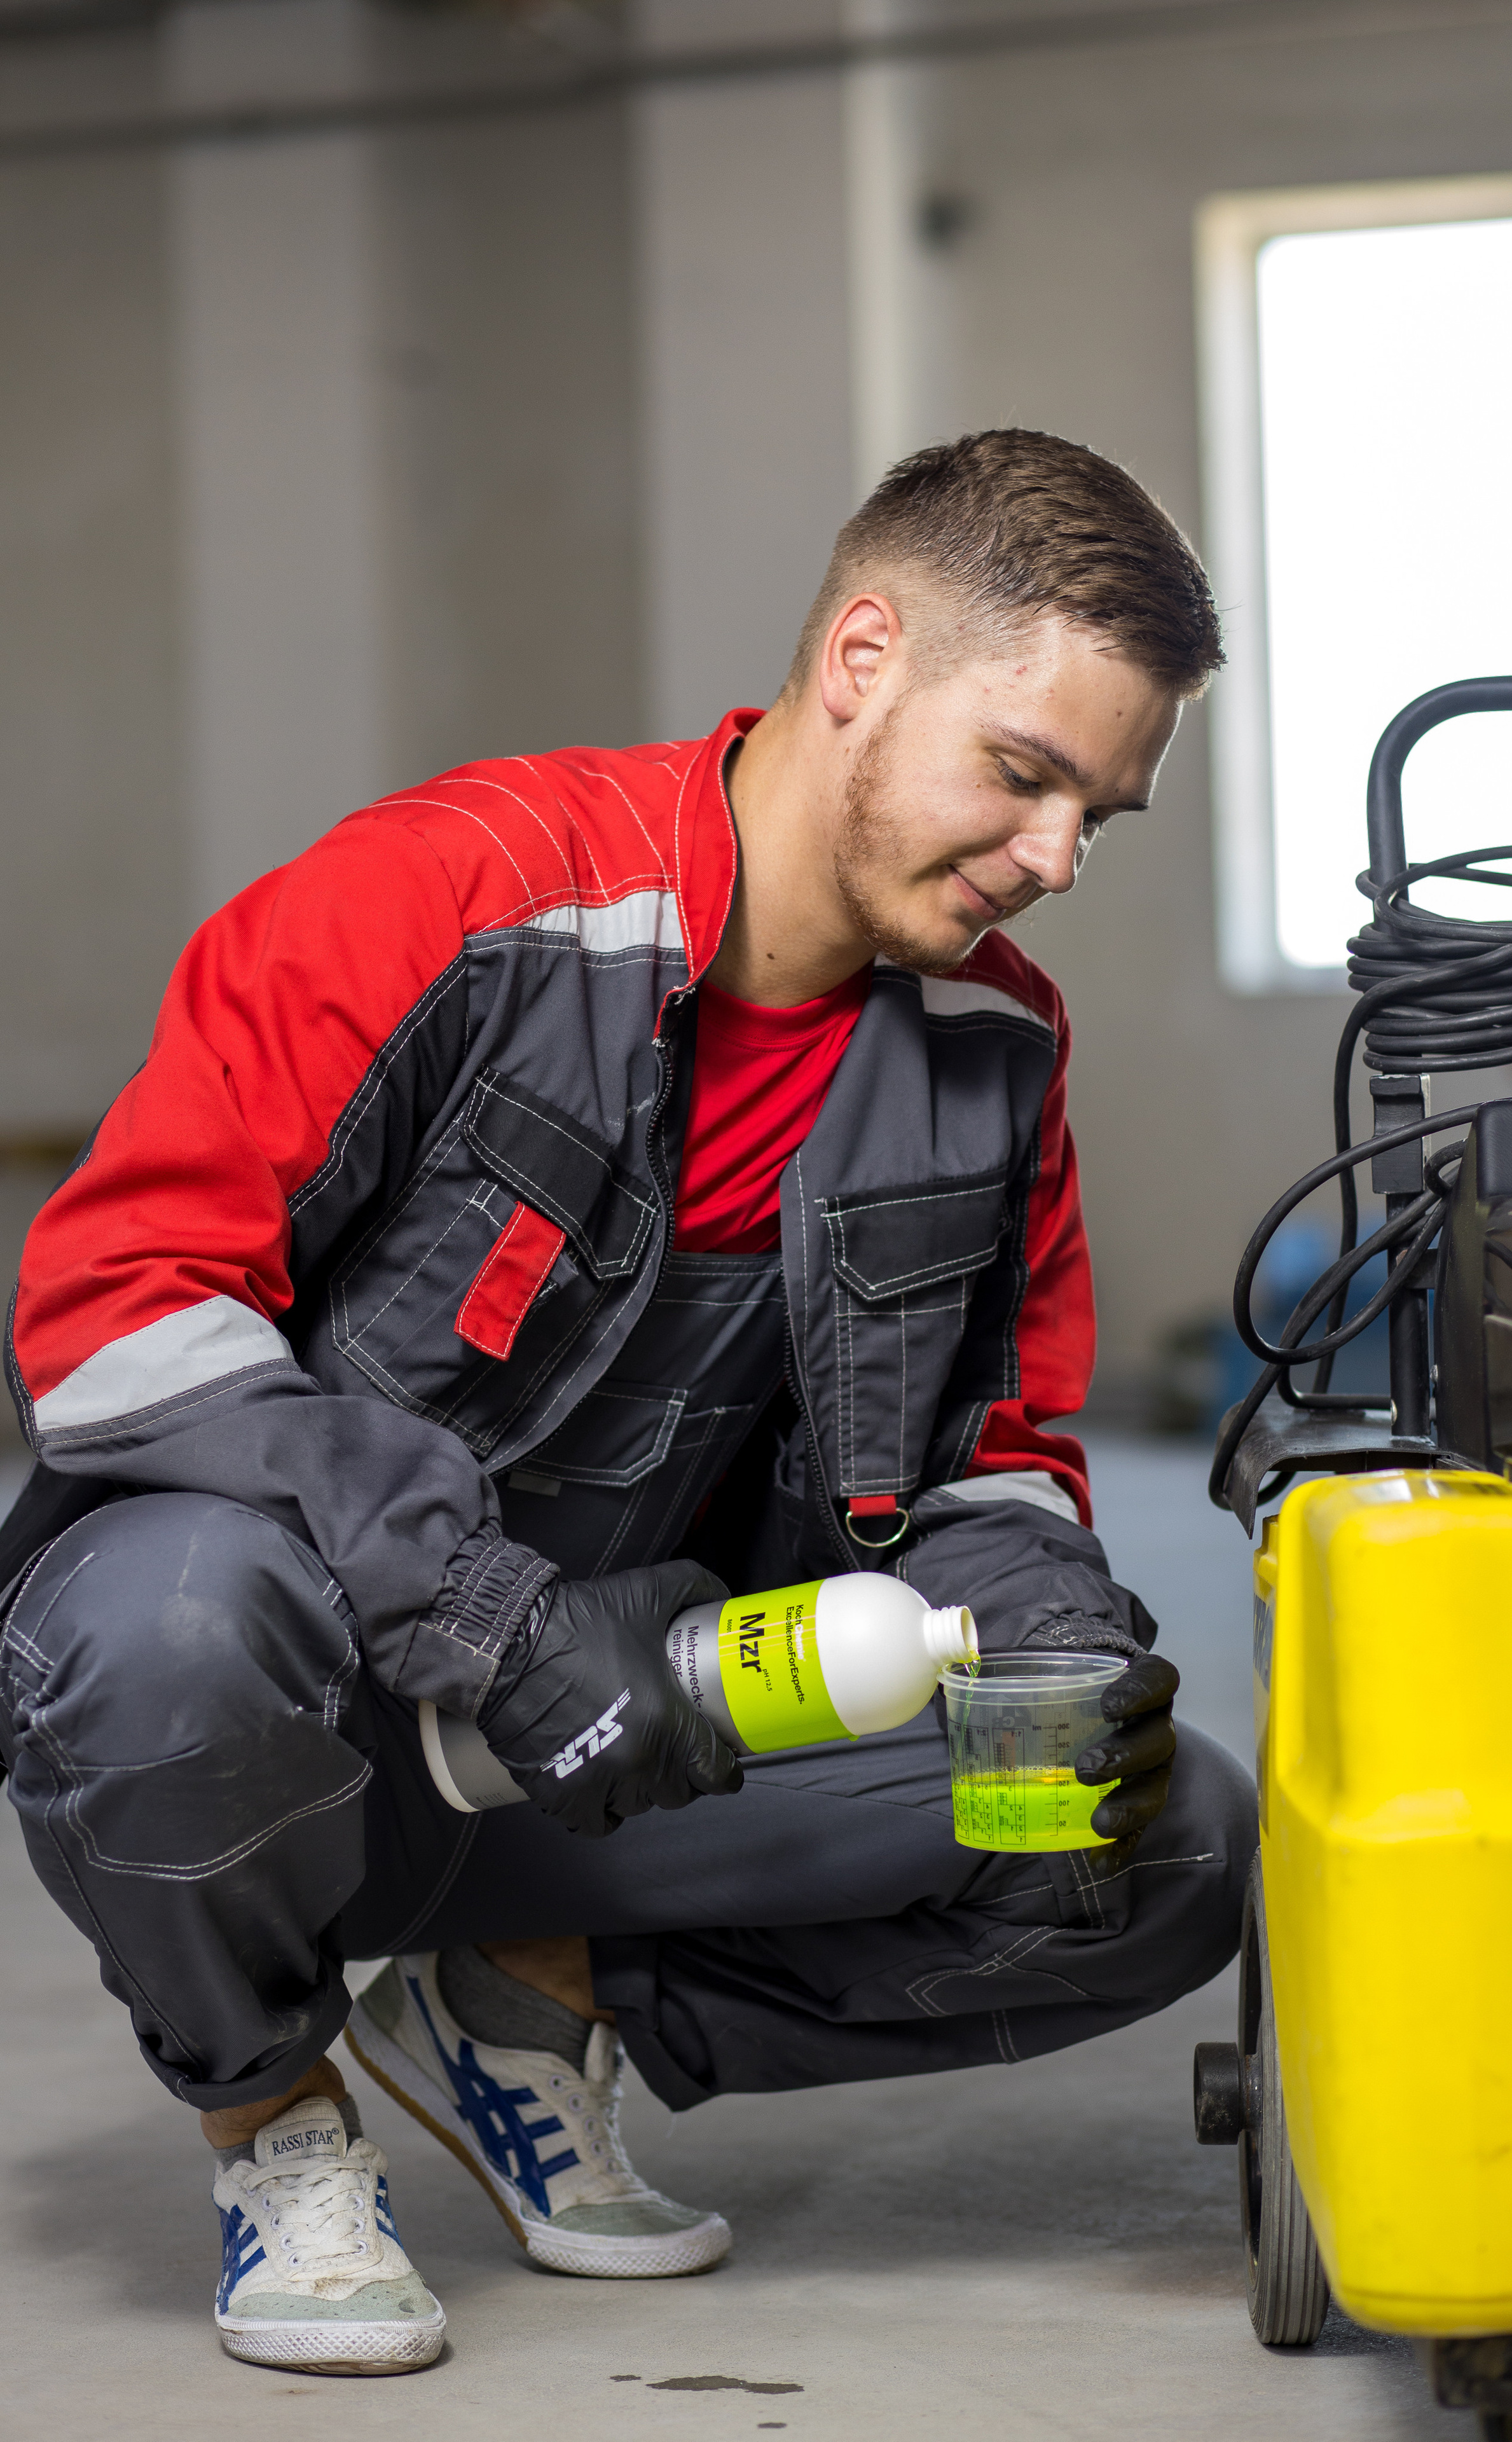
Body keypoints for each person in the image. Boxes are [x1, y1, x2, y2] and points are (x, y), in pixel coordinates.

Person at [0, 428, 1254, 2376]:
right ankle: (274, 2111)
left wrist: (1052, 1627)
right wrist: (485, 1617)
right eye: (1023, 777)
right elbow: (112, 1312)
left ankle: (527, 1994)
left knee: (1143, 1834)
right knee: (161, 1633)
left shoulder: (995, 1047)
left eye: (1105, 814)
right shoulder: (457, 898)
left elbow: (997, 1445)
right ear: (861, 660)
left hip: (637, 1738)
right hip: (298, 1716)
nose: (1056, 864)